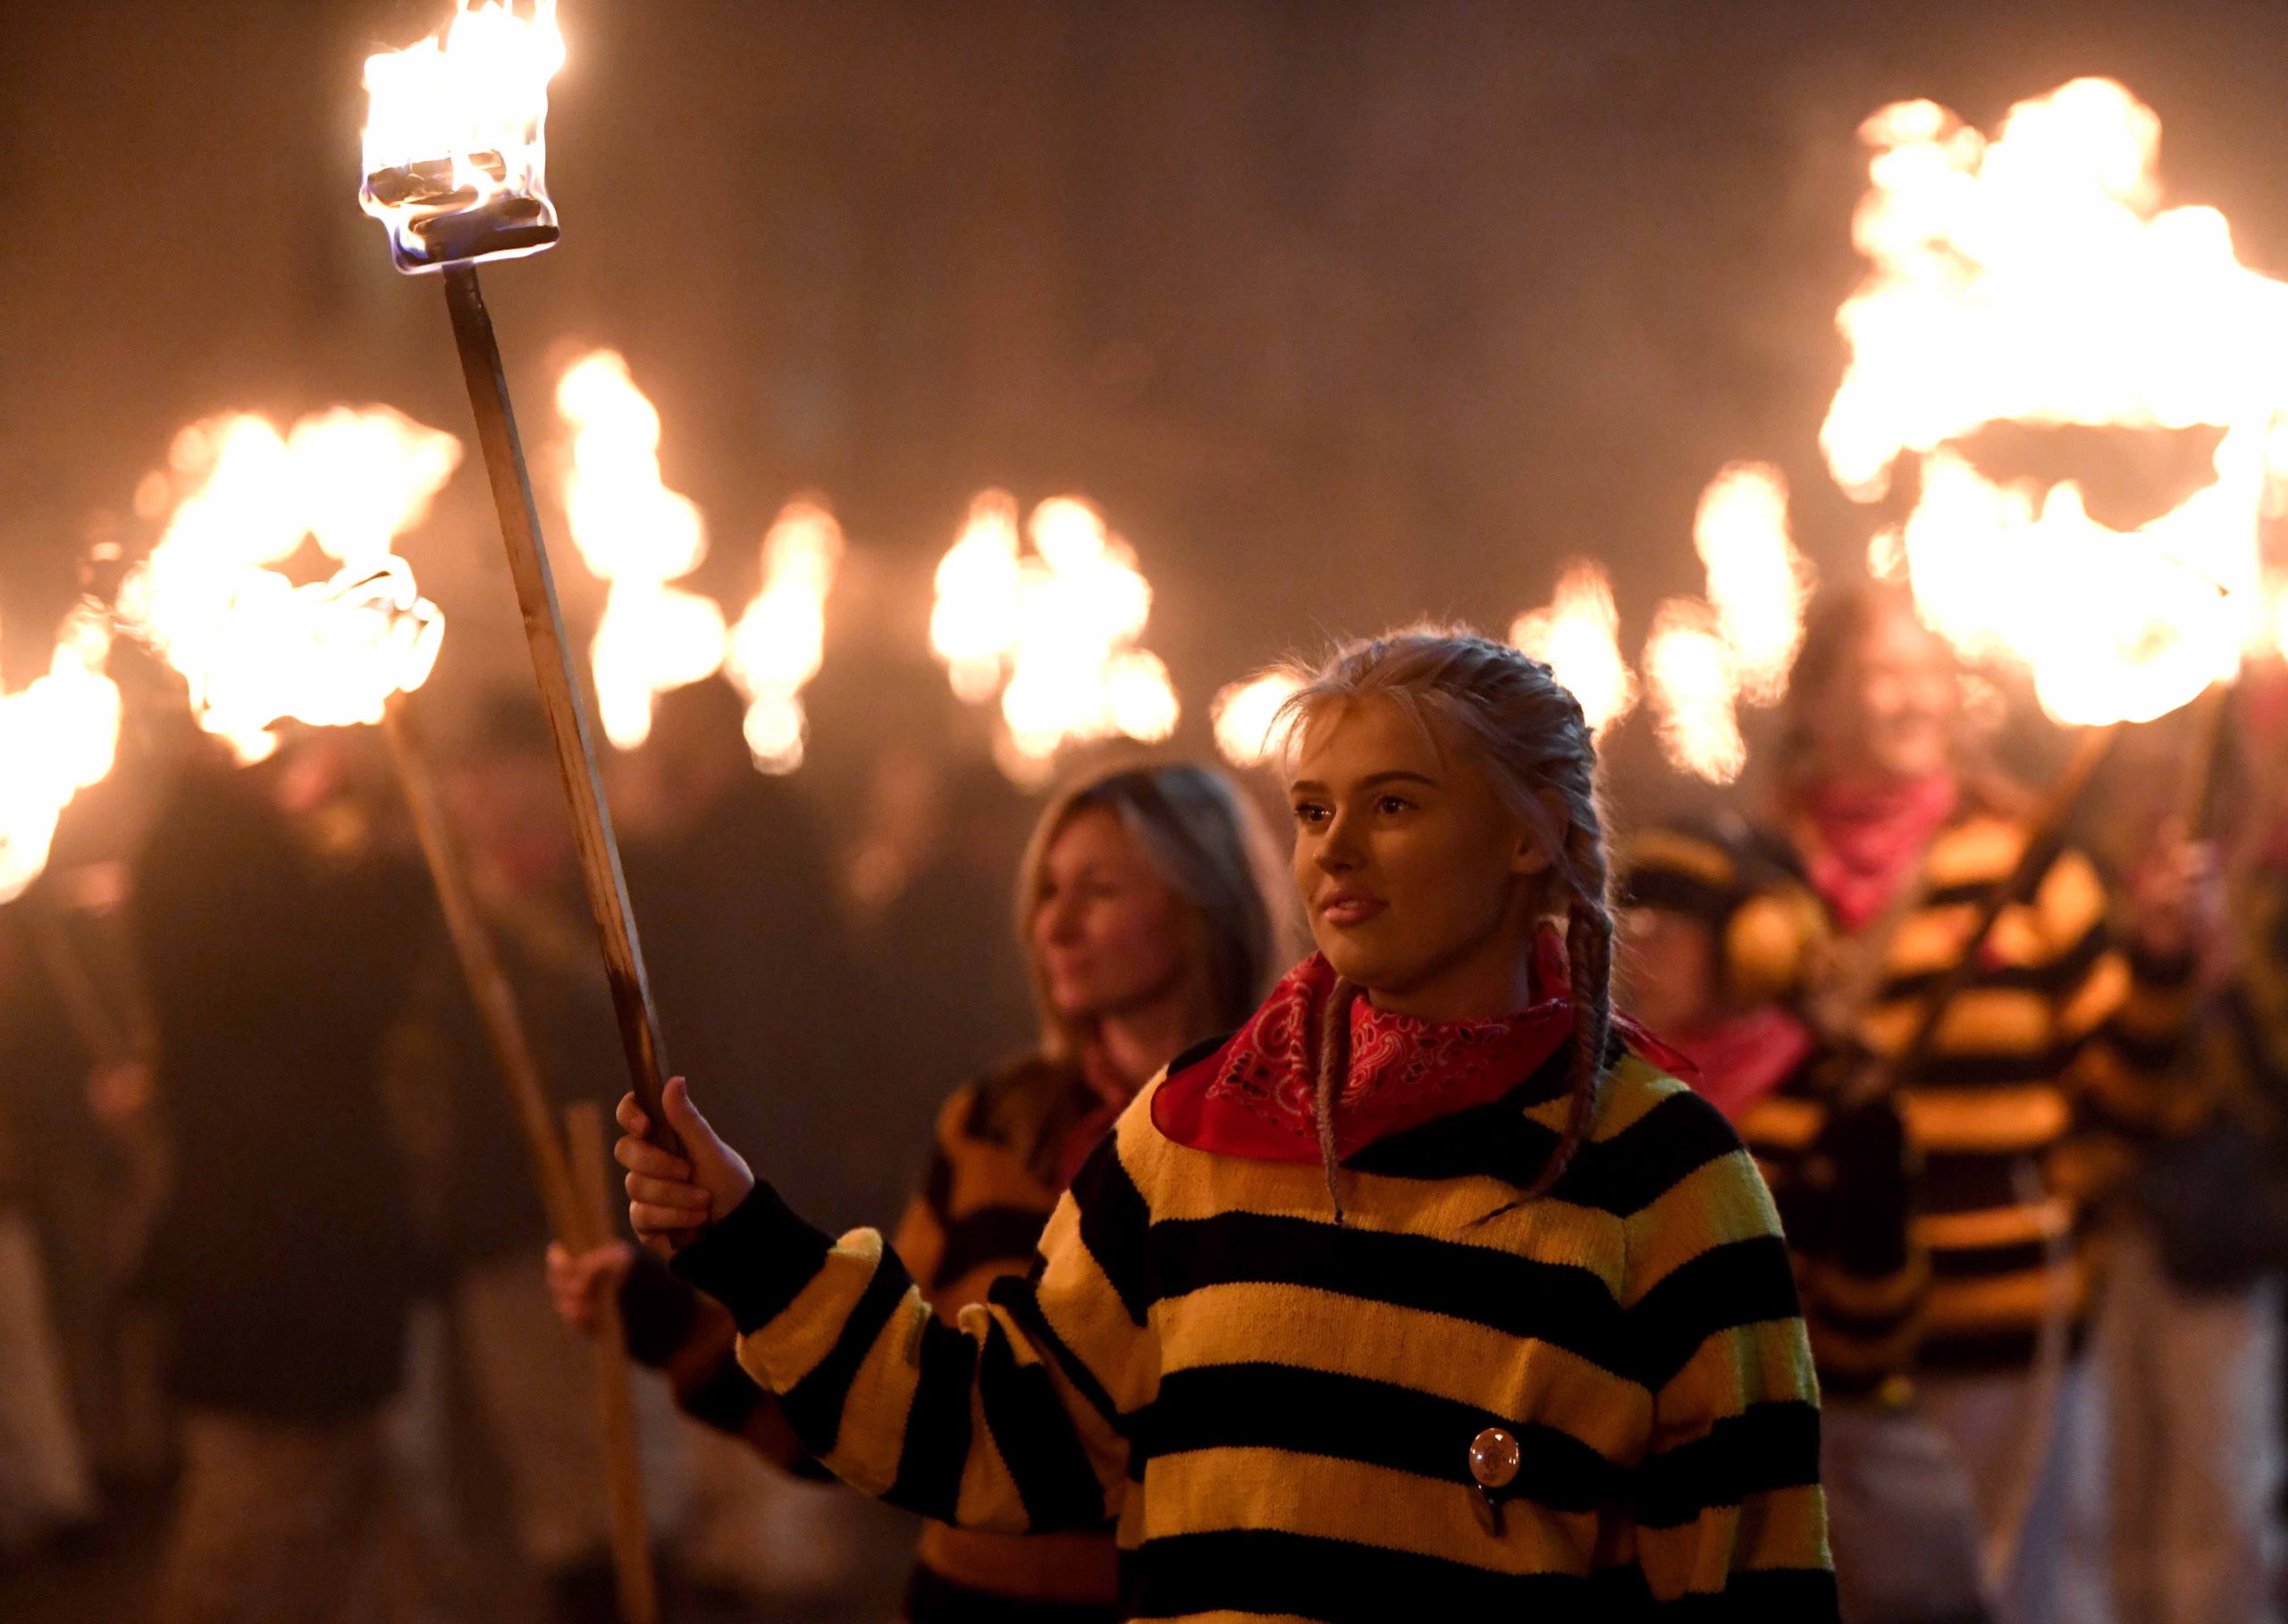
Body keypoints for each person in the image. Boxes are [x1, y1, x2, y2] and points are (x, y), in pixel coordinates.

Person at [608, 628, 1838, 1620]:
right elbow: (998, 1432)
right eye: (1311, 811)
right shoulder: (1191, 1133)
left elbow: (1752, 1578)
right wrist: (749, 1244)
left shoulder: (1669, 1183)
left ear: (1535, 837)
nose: (1337, 852)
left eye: (1395, 805)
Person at [552, 759, 1293, 1622]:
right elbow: (896, 1401)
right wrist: (677, 1316)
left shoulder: (1279, 1149)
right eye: (1047, 888)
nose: (1054, 922)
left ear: (1206, 901)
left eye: (1099, 888)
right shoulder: (995, 1126)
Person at [1739, 584, 2198, 1624]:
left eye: (1925, 672)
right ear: (1812, 703)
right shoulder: (1758, 879)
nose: (1912, 699)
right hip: (1820, 1335)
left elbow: (2120, 1100)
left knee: (2029, 1595)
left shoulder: (2026, 864)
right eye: (1880, 674)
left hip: (2007, 1329)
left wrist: (2164, 961)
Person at [1618, 820, 1986, 1624]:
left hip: (1810, 1478)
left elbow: (1868, 1348)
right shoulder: (1624, 1088)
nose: (1643, 952)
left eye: (1672, 929)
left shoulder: (1836, 1099)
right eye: (1635, 926)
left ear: (1759, 944)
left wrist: (1871, 1211)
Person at [132, 730, 431, 1624]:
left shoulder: (220, 843)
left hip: (295, 1261)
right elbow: (327, 995)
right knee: (258, 1529)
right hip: (269, 1263)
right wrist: (396, 877)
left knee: (321, 1525)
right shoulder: (210, 852)